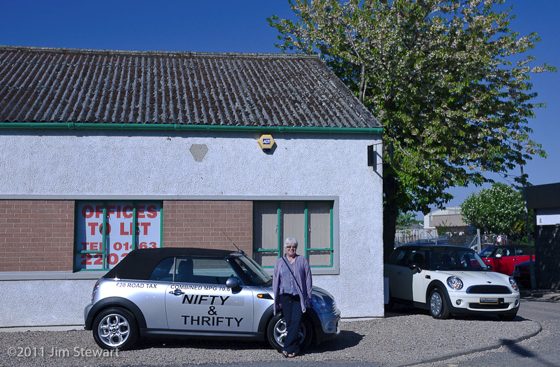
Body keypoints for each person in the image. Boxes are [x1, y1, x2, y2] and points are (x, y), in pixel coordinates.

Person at [272, 237, 313, 358]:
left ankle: (286, 348)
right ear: (285, 248)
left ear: (296, 247)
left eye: (293, 246)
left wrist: (308, 297)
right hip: (285, 296)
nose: (291, 249)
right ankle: (295, 349)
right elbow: (275, 281)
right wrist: (277, 300)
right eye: (289, 246)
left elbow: (308, 280)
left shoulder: (302, 260)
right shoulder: (279, 262)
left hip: (298, 297)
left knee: (296, 321)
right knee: (290, 323)